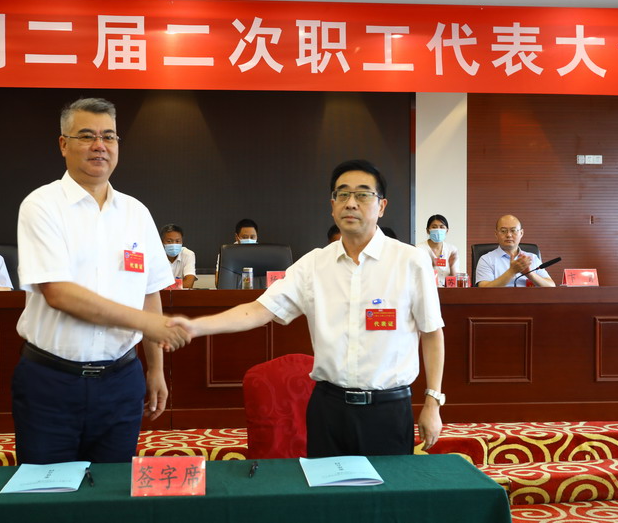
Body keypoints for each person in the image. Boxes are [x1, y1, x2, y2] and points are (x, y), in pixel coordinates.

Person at [173, 159, 445, 456]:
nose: (351, 203)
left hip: (388, 410)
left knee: (386, 487)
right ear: (332, 206)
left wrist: (432, 401)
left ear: (381, 206)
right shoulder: (314, 264)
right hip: (328, 409)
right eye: (342, 194)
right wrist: (196, 326)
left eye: (363, 194)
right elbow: (259, 310)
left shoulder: (410, 261)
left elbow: (432, 333)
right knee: (327, 485)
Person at [13, 97, 191, 465]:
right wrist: (144, 323)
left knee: (113, 488)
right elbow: (59, 294)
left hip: (122, 380)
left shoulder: (136, 212)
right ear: (63, 144)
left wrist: (156, 368)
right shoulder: (41, 205)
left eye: (109, 136)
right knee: (47, 488)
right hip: (52, 381)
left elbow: (149, 294)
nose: (100, 145)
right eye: (87, 136)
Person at [475, 214, 555, 287]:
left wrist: (530, 274)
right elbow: (483, 289)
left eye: (513, 230)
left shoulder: (532, 258)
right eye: (503, 231)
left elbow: (551, 286)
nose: (508, 235)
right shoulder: (486, 259)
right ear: (496, 234)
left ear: (521, 233)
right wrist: (511, 272)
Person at [416, 214, 459, 287]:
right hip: (426, 289)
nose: (438, 230)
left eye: (442, 227)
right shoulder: (419, 249)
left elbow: (455, 281)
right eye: (434, 227)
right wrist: (430, 266)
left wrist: (452, 267)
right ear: (428, 230)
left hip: (447, 291)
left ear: (447, 231)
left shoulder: (452, 250)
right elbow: (416, 275)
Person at [215, 218, 259, 286]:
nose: (249, 240)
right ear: (236, 237)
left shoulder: (262, 252)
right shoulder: (226, 253)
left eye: (252, 237)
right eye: (245, 237)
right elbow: (218, 282)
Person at [160, 223, 197, 289]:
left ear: (182, 242)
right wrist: (178, 285)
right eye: (169, 241)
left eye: (177, 241)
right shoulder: (155, 255)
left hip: (181, 294)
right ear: (162, 242)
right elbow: (150, 284)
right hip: (159, 294)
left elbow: (189, 283)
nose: (174, 244)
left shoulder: (188, 254)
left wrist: (164, 286)